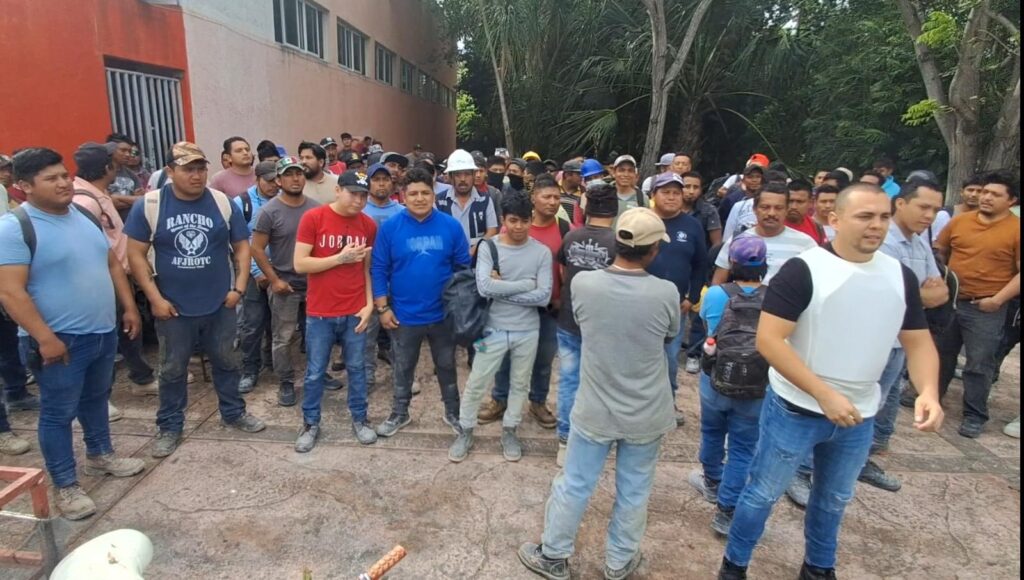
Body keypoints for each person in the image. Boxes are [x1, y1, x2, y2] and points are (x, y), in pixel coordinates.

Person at [717, 183, 944, 580]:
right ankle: (735, 565)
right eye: (865, 216)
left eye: (883, 217)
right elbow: (769, 340)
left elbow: (918, 340)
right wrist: (824, 394)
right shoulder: (804, 270)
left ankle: (819, 567)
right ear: (835, 219)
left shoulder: (900, 275)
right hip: (796, 409)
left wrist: (929, 391)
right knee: (763, 493)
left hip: (859, 413)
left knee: (834, 498)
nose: (876, 225)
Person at [518, 208, 680, 580]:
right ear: (653, 250)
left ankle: (554, 555)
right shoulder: (666, 292)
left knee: (574, 483)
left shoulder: (585, 285)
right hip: (647, 411)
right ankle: (619, 562)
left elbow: (582, 322)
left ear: (616, 243)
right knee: (634, 490)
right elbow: (670, 336)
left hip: (594, 408)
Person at [0, 147, 146, 520]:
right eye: (51, 178)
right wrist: (45, 338)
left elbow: (111, 264)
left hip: (102, 331)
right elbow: (10, 292)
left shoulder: (83, 214)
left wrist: (129, 307)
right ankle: (65, 485)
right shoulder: (15, 228)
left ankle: (100, 454)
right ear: (24, 186)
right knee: (58, 413)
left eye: (64, 174)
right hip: (59, 341)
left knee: (96, 399)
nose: (64, 183)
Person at [124, 142, 266, 459]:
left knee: (227, 362)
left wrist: (238, 289)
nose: (196, 175)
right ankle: (170, 426)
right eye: (188, 169)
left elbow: (242, 247)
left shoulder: (221, 202)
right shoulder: (150, 205)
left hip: (220, 304)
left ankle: (233, 412)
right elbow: (135, 255)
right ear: (170, 171)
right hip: (173, 308)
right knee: (172, 370)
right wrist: (155, 299)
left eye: (201, 168)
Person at [856, 180, 950, 493]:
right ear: (900, 203)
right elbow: (887, 293)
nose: (930, 216)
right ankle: (836, 463)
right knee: (862, 403)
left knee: (881, 401)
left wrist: (915, 295)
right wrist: (919, 294)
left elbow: (940, 292)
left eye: (935, 209)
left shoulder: (919, 243)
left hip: (902, 340)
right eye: (923, 207)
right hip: (874, 339)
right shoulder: (882, 242)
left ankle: (859, 459)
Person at [449, 192, 553, 463]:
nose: (519, 227)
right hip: (490, 331)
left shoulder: (541, 252)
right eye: (513, 221)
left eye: (524, 221)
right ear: (504, 220)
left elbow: (543, 296)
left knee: (520, 383)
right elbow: (484, 287)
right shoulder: (489, 247)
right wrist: (526, 285)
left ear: (531, 219)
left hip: (528, 331)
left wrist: (501, 288)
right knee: (476, 381)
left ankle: (510, 430)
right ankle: (465, 430)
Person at [371, 168, 470, 437]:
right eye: (413, 193)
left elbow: (463, 269)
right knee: (403, 367)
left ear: (433, 194)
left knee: (446, 366)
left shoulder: (451, 226)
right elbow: (378, 269)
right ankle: (399, 413)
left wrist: (460, 308)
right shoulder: (390, 227)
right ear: (403, 195)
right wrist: (383, 308)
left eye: (425, 193)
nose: (419, 198)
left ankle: (453, 412)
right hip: (403, 315)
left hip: (443, 315)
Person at [689, 236, 769, 537]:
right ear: (764, 264)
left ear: (732, 263)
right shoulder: (775, 298)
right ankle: (727, 510)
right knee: (743, 447)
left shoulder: (714, 294)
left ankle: (712, 481)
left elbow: (708, 327)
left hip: (715, 378)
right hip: (756, 384)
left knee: (711, 431)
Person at [293, 170, 378, 451]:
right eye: (353, 193)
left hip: (355, 310)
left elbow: (366, 269)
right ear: (338, 190)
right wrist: (339, 258)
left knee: (357, 369)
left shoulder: (367, 225)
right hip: (320, 312)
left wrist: (368, 304)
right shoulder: (314, 218)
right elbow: (300, 264)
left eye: (363, 195)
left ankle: (360, 419)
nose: (358, 200)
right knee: (315, 371)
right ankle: (310, 423)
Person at [933, 172, 1020, 438]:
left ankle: (974, 414)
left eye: (995, 194)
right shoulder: (960, 221)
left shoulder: (1016, 229)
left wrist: (997, 300)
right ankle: (931, 398)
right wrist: (942, 281)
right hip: (951, 301)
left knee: (979, 363)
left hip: (986, 306)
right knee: (941, 354)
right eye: (984, 192)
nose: (986, 197)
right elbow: (940, 251)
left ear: (1011, 201)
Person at [479, 174, 567, 429]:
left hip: (549, 309)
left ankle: (538, 401)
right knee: (505, 358)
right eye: (546, 196)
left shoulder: (564, 229)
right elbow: (493, 276)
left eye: (557, 197)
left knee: (543, 359)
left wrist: (560, 296)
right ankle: (499, 399)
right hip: (511, 310)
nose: (552, 202)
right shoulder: (510, 229)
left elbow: (566, 269)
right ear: (533, 198)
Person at [72, 142, 157, 398]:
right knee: (107, 335)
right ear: (108, 168)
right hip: (106, 278)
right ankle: (100, 396)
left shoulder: (98, 194)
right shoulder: (84, 201)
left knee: (128, 329)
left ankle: (141, 377)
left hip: (119, 275)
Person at [553, 184, 619, 466]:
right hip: (605, 326)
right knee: (603, 383)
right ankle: (597, 438)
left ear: (586, 208)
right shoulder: (619, 243)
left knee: (570, 381)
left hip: (569, 319)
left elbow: (563, 272)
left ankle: (565, 440)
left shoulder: (571, 236)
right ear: (615, 209)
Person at [251, 157, 321, 407]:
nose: (295, 178)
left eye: (299, 173)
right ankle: (286, 381)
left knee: (317, 334)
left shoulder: (315, 208)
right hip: (285, 285)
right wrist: (274, 280)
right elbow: (256, 249)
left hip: (313, 284)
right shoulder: (268, 211)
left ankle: (318, 375)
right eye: (289, 174)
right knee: (283, 337)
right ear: (279, 180)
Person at [646, 172, 708, 423]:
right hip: (641, 304)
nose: (671, 197)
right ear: (653, 195)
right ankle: (639, 404)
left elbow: (700, 264)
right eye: (665, 192)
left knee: (670, 358)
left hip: (675, 306)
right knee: (640, 357)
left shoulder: (692, 225)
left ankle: (668, 403)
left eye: (676, 193)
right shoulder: (643, 220)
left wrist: (691, 297)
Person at [712, 184, 818, 285]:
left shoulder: (806, 244)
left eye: (778, 208)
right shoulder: (737, 241)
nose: (771, 213)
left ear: (786, 210)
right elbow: (717, 284)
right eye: (765, 207)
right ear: (755, 209)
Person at [234, 160, 280, 394]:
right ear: (257, 179)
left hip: (279, 270)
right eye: (269, 181)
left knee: (278, 322)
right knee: (252, 323)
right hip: (252, 273)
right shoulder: (242, 203)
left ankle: (273, 360)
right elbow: (238, 243)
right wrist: (257, 270)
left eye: (276, 180)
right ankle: (249, 369)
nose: (274, 185)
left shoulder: (283, 199)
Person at [361, 163, 404, 390]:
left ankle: (402, 375)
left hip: (396, 281)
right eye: (376, 179)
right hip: (366, 283)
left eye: (385, 179)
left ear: (392, 184)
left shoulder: (401, 211)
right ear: (368, 183)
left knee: (399, 334)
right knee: (366, 335)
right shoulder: (360, 210)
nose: (381, 184)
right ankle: (367, 376)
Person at [436, 149, 498, 248]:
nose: (463, 179)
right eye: (458, 175)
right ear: (451, 177)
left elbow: (492, 231)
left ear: (473, 175)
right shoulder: (439, 201)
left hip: (478, 256)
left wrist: (474, 250)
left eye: (467, 174)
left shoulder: (485, 200)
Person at [106, 134, 145, 219]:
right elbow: (107, 203)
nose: (128, 154)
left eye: (129, 151)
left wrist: (117, 198)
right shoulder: (102, 174)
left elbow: (141, 200)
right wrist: (132, 199)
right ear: (111, 150)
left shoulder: (132, 175)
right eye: (123, 150)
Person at [719, 165, 765, 236]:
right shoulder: (732, 199)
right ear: (743, 180)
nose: (754, 180)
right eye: (750, 177)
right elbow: (722, 220)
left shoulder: (767, 199)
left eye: (758, 177)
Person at [785, 180, 827, 246]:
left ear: (811, 202)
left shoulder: (817, 228)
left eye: (800, 202)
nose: (794, 207)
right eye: (790, 201)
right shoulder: (773, 226)